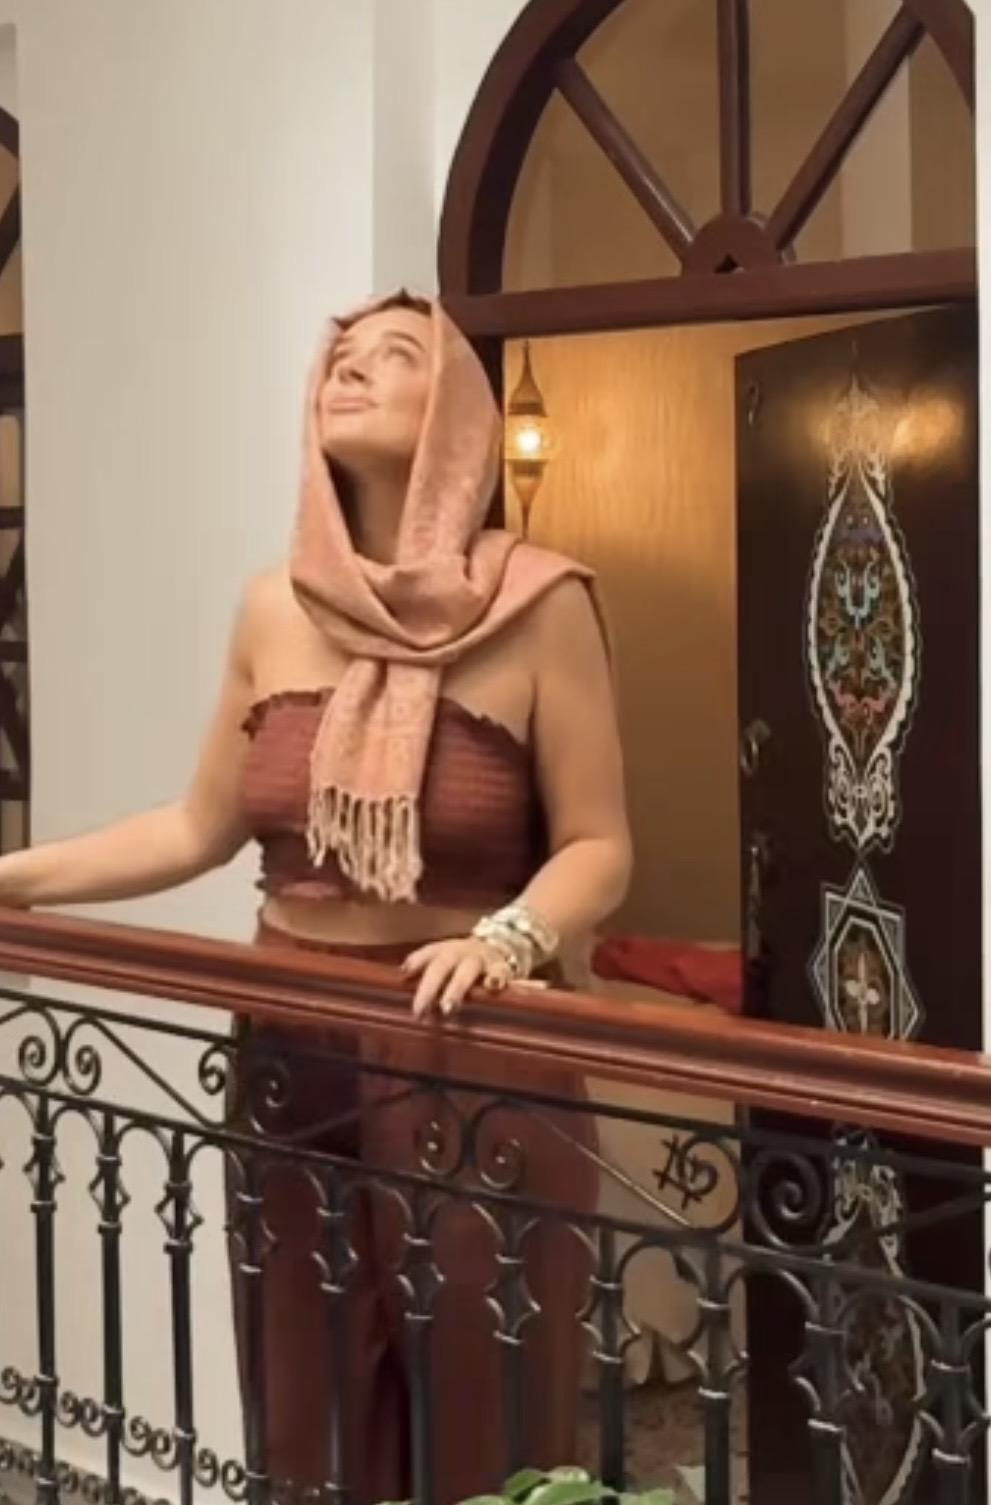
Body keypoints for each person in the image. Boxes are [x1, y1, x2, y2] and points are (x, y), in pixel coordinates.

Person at [0, 293, 632, 1502]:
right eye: (337, 357)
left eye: (392, 356)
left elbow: (598, 843)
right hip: (289, 1047)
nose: (349, 370)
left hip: (470, 1046)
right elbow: (195, 826)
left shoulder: (541, 602)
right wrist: (13, 878)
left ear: (456, 414)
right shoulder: (272, 606)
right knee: (304, 1407)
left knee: (485, 1410)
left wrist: (507, 937)